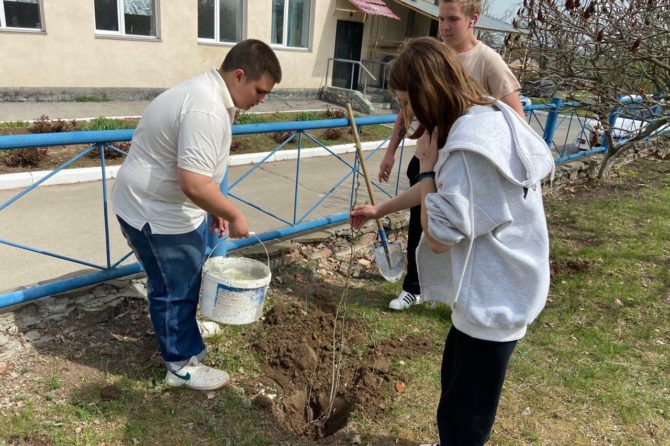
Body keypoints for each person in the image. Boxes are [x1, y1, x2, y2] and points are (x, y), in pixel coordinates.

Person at [351, 37, 553, 445]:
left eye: (407, 101)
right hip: (493, 290)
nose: (405, 114)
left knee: (466, 416)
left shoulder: (469, 148)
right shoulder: (483, 115)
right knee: (455, 391)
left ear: (428, 92)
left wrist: (425, 168)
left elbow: (440, 234)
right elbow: (444, 197)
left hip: (494, 300)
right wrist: (380, 210)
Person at [111, 39, 281, 391]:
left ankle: (183, 332)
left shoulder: (208, 94)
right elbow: (192, 182)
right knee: (174, 287)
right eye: (261, 91)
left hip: (164, 207)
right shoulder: (205, 108)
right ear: (239, 76)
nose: (262, 100)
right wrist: (233, 214)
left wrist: (213, 206)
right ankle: (180, 365)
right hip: (155, 214)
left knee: (184, 280)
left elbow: (200, 175)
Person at [378, 0, 526, 311]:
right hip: (433, 158)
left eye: (452, 19)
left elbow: (518, 126)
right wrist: (393, 154)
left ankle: (455, 290)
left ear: (472, 19)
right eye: (440, 19)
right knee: (421, 226)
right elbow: (405, 115)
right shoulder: (430, 56)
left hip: (461, 165)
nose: (444, 26)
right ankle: (417, 288)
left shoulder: (488, 62)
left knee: (446, 232)